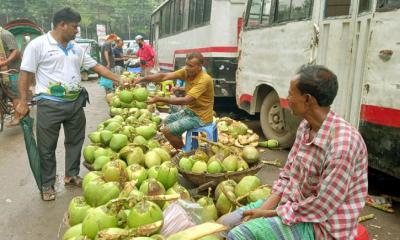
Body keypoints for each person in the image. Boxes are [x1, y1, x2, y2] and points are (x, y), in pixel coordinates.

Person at [218, 65, 368, 240]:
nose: (286, 98)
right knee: (223, 224)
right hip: (292, 205)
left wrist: (269, 214)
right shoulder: (305, 126)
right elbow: (288, 175)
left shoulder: (342, 145)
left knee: (238, 235)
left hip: (321, 226)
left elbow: (321, 208)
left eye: (290, 93)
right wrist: (264, 210)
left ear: (307, 99)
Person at [15, 7, 121, 201]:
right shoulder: (38, 45)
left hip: (75, 103)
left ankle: (71, 175)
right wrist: (22, 101)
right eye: (75, 26)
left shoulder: (76, 48)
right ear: (62, 25)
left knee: (75, 142)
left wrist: (119, 80)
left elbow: (96, 66)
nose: (77, 30)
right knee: (47, 148)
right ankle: (47, 184)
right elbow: (25, 74)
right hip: (49, 104)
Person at [133, 52, 214, 149]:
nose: (187, 67)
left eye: (191, 66)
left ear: (200, 66)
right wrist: (142, 79)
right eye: (186, 64)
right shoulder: (186, 72)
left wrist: (158, 99)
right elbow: (163, 76)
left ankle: (183, 153)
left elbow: (185, 101)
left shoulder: (204, 79)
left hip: (201, 117)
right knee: (166, 121)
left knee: (167, 131)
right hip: (190, 111)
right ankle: (182, 145)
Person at [0, 26, 21, 126]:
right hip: (3, 70)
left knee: (15, 93)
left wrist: (5, 62)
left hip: (13, 70)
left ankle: (17, 118)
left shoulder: (5, 35)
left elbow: (16, 51)